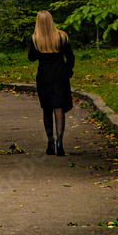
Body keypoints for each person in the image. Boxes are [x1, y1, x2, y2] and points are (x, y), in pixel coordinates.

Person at [28, 10, 75, 156]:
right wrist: (67, 70)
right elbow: (71, 57)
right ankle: (60, 141)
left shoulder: (35, 39)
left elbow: (31, 57)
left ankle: (50, 143)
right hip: (60, 73)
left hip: (44, 74)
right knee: (59, 107)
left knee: (47, 108)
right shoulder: (61, 36)